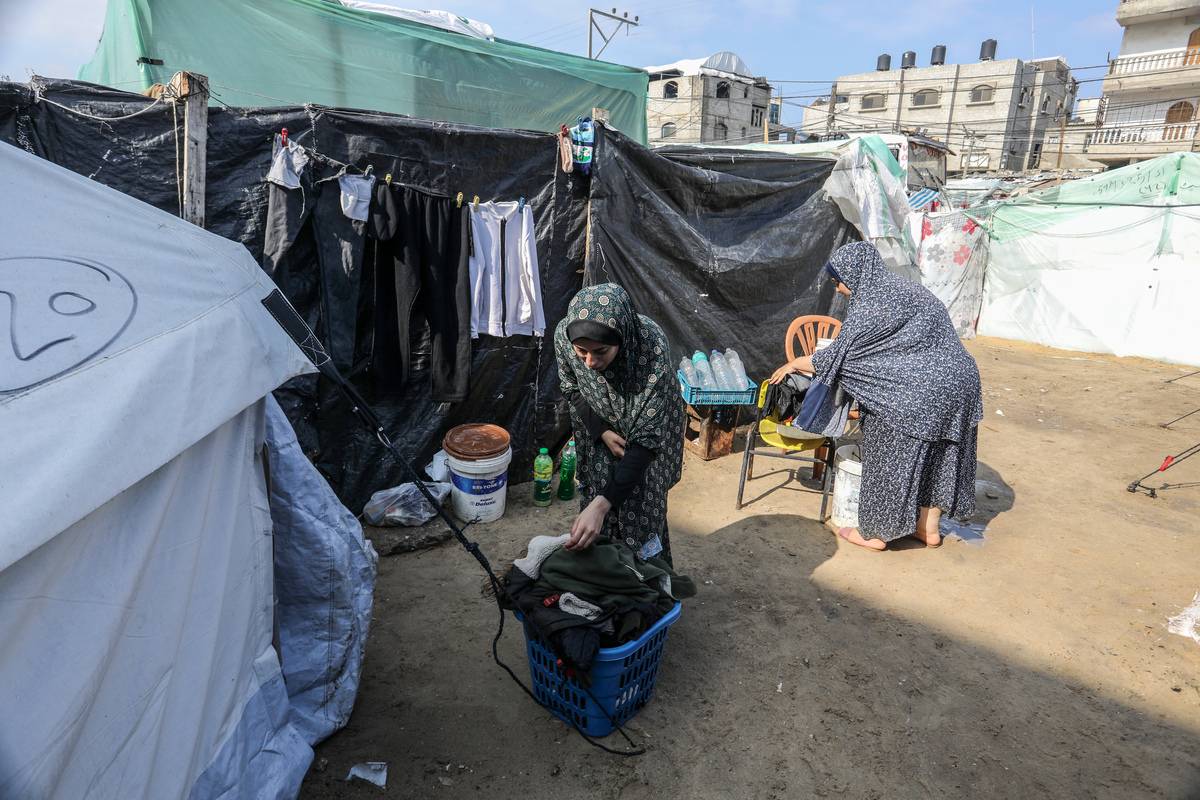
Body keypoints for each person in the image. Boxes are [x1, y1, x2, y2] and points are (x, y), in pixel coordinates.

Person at [770, 241, 982, 551]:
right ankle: (928, 529)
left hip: (913, 393)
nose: (839, 289)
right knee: (941, 456)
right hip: (961, 383)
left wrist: (793, 364)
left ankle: (876, 534)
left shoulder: (869, 303)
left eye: (837, 281)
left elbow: (835, 360)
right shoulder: (907, 290)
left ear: (854, 274)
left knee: (888, 457)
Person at [554, 284, 684, 563]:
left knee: (643, 502)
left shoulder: (650, 345)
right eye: (581, 352)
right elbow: (571, 388)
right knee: (598, 494)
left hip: (651, 423)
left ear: (621, 340)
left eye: (601, 351)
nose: (590, 362)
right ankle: (605, 572)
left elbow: (647, 441)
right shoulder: (563, 337)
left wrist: (600, 506)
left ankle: (648, 580)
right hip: (600, 423)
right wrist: (602, 431)